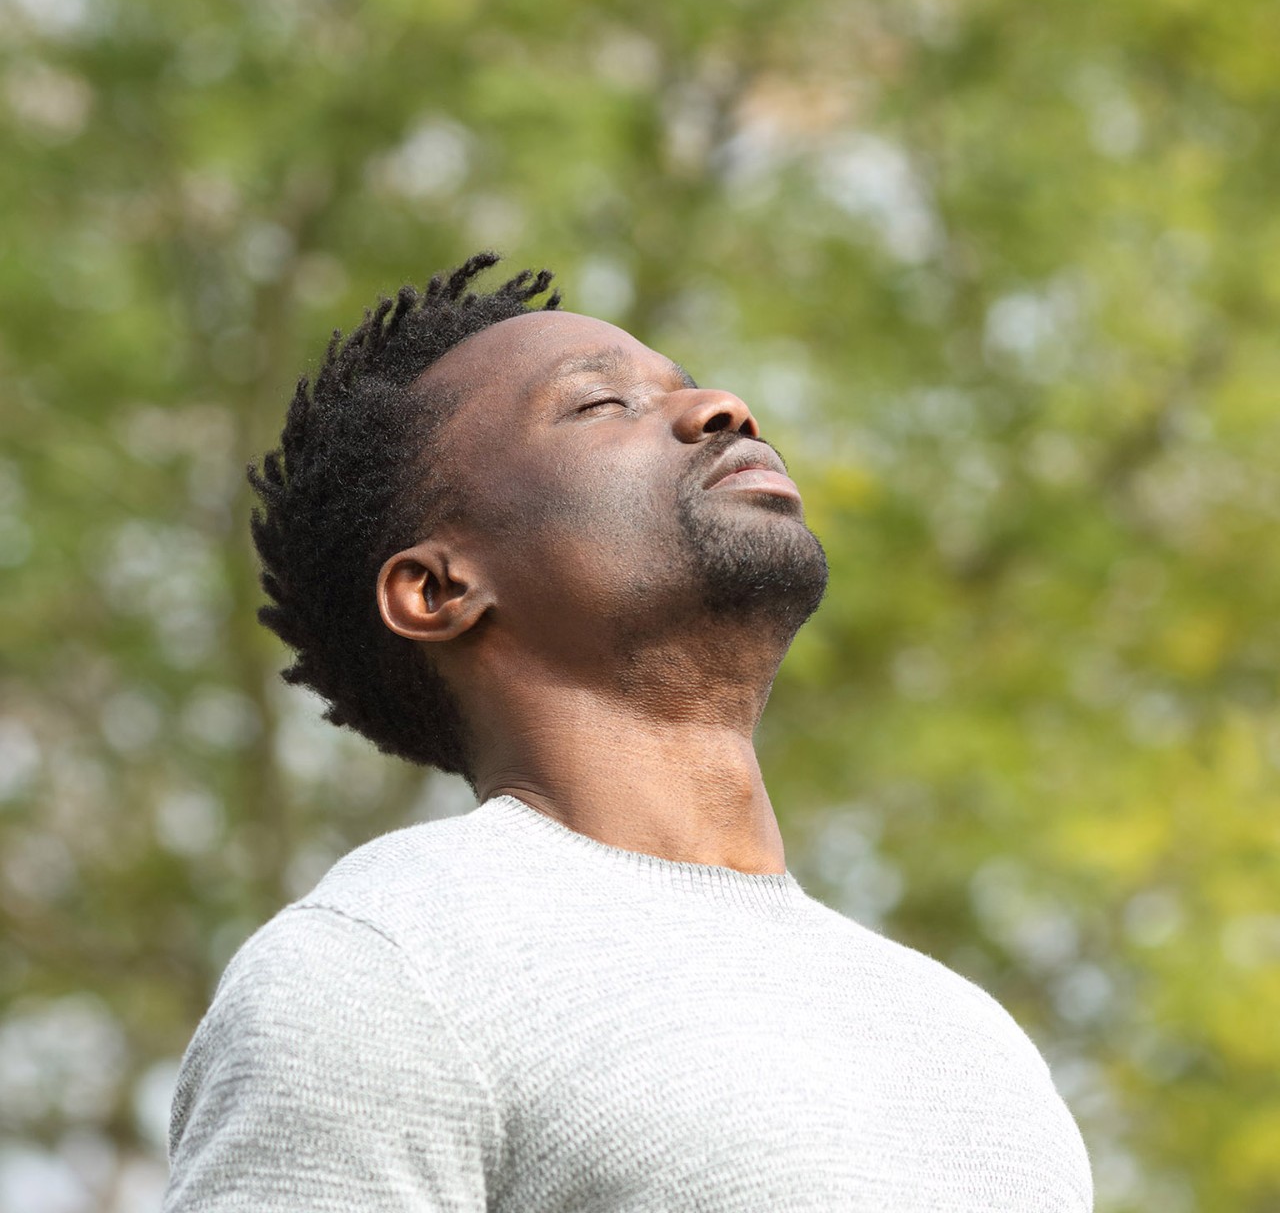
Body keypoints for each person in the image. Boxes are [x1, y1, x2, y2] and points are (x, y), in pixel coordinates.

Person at [163, 252, 1093, 1211]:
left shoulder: (963, 1034)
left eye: (688, 389)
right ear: (439, 588)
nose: (722, 408)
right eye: (599, 406)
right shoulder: (385, 966)